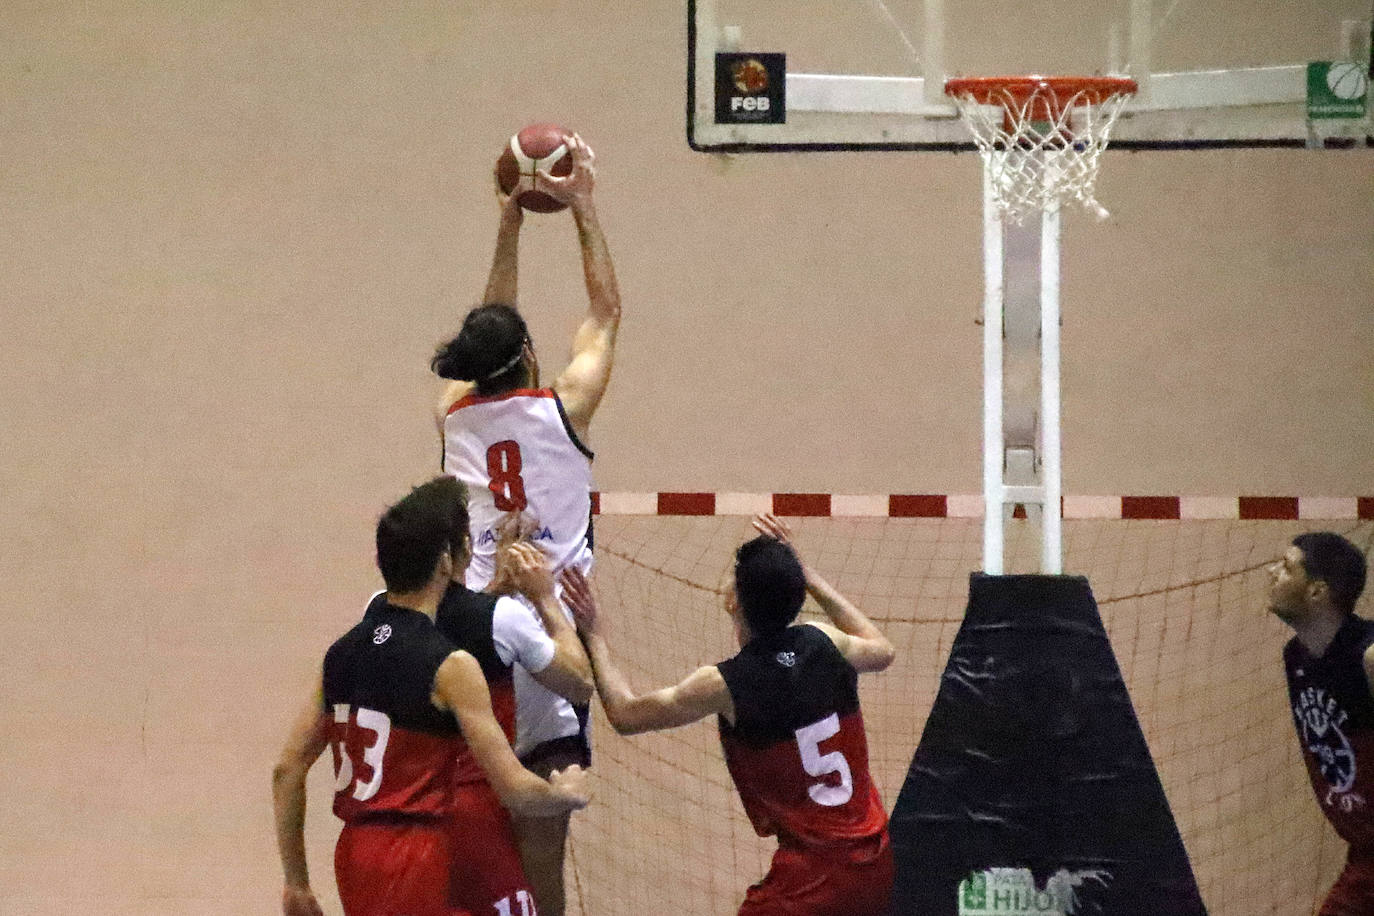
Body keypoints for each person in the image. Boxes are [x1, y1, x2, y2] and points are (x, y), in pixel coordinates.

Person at [431, 131, 619, 916]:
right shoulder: (566, 404)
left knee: (469, 840)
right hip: (547, 633)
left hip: (475, 638)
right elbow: (606, 310)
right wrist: (583, 210)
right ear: (533, 353)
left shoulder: (452, 417)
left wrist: (508, 226)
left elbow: (493, 325)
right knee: (544, 854)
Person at [271, 477, 588, 916]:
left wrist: (297, 883)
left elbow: (287, 769)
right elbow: (516, 788)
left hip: (355, 851)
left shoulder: (342, 651)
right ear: (445, 560)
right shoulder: (451, 664)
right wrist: (564, 795)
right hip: (415, 846)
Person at [561, 513, 897, 915]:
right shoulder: (825, 641)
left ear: (735, 599)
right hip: (875, 860)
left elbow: (625, 713)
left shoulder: (725, 684)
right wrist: (808, 575)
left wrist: (593, 633)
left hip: (814, 880)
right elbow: (882, 649)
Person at [1269, 530, 1372, 916]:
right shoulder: (1297, 657)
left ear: (1317, 592)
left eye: (1286, 567)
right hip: (1364, 856)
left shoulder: (1369, 657)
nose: (1272, 572)